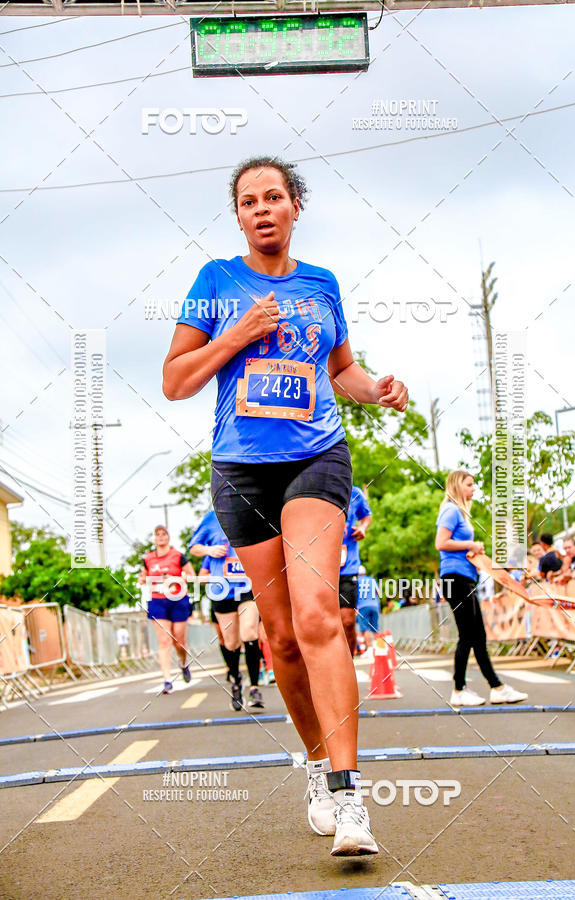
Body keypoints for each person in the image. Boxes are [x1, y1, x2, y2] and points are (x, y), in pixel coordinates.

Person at [163, 156, 409, 856]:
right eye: (248, 201)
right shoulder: (216, 281)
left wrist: (378, 388)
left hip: (315, 458)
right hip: (241, 469)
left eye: (274, 196)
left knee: (317, 615)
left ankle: (348, 790)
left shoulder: (321, 282)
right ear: (238, 216)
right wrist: (235, 336)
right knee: (280, 637)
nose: (262, 209)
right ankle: (315, 762)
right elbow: (175, 381)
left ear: (296, 206)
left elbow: (341, 370)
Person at [435, 470, 528, 707]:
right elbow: (440, 543)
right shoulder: (451, 510)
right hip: (455, 579)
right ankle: (460, 689)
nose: (473, 489)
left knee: (477, 635)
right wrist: (471, 544)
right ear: (457, 486)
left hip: (465, 578)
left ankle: (495, 687)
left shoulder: (461, 513)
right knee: (468, 635)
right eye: (469, 484)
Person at [189, 510, 264, 710]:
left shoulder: (252, 510)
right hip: (221, 589)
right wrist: (209, 550)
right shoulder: (211, 518)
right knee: (231, 642)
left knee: (249, 632)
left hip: (247, 585)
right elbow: (193, 547)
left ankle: (255, 687)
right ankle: (236, 680)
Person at [140, 525, 195, 694]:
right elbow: (143, 576)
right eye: (158, 535)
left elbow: (191, 575)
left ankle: (183, 663)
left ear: (168, 538)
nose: (161, 537)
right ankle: (166, 680)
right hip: (158, 601)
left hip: (178, 599)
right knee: (164, 642)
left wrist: (176, 578)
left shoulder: (178, 556)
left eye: (164, 534)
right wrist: (143, 579)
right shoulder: (148, 558)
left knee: (179, 640)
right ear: (154, 539)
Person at [339, 485, 372, 655]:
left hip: (348, 567)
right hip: (319, 568)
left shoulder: (355, 493)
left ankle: (348, 662)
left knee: (347, 621)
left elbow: (366, 515)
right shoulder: (317, 487)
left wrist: (363, 528)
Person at [356, 565, 380, 650]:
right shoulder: (372, 580)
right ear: (365, 573)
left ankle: (369, 648)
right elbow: (378, 593)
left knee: (365, 628)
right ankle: (379, 648)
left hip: (362, 607)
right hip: (375, 605)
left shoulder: (356, 582)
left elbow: (354, 596)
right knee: (375, 628)